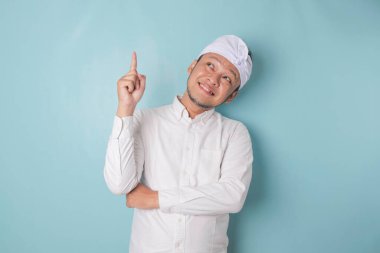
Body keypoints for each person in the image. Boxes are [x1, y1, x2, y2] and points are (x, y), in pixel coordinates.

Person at [103, 35, 254, 253]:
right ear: (192, 66)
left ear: (231, 96)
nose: (213, 79)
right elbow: (119, 184)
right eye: (210, 65)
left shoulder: (235, 133)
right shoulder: (145, 119)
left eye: (227, 78)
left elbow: (232, 196)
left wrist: (156, 199)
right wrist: (125, 109)